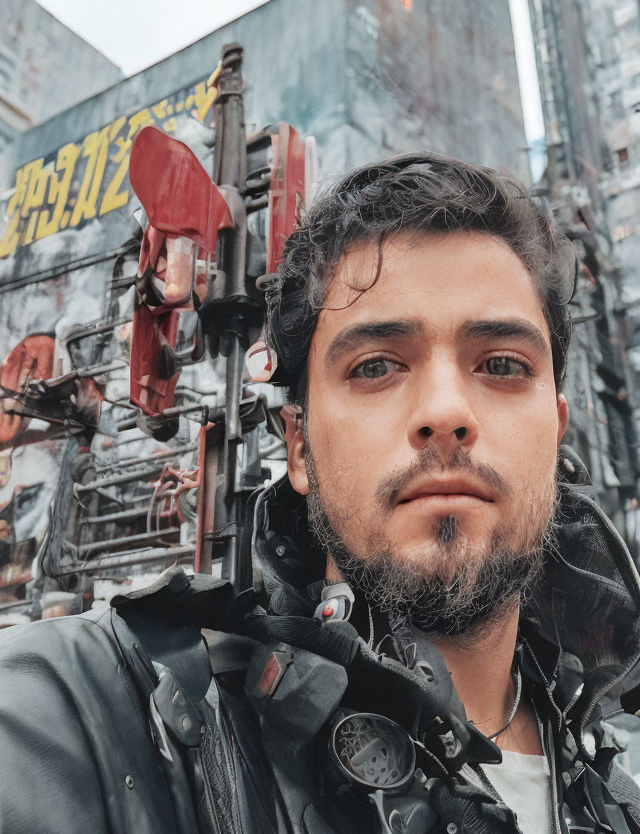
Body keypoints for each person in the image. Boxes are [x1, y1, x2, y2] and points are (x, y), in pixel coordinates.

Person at [1, 153, 640, 834]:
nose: (448, 410)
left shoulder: (617, 774)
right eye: (376, 366)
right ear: (299, 447)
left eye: (503, 365)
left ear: (556, 432)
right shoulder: (96, 712)